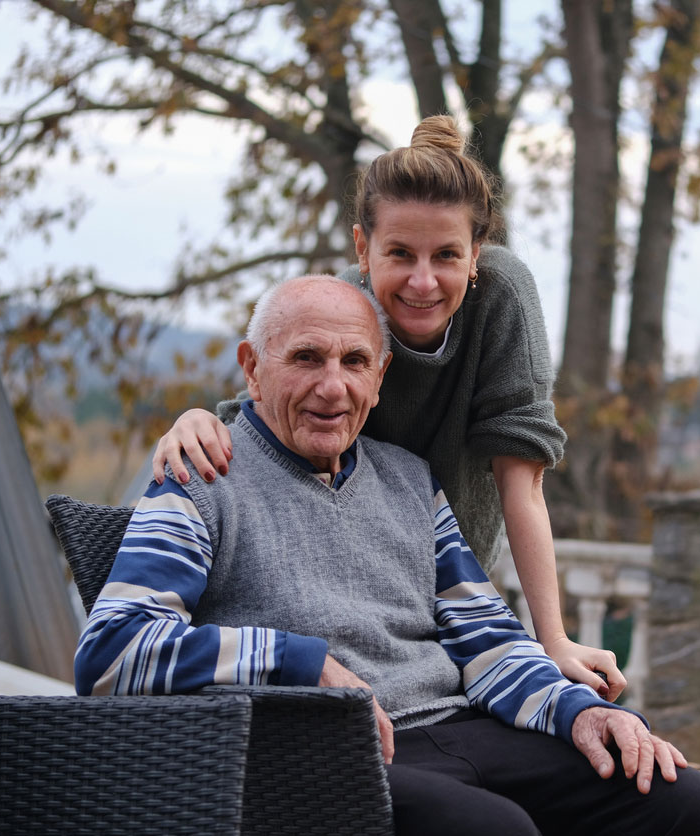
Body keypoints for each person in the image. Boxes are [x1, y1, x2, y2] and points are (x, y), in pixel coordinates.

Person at [75, 276, 700, 836]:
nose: (332, 387)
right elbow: (111, 654)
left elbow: (486, 640)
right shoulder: (201, 475)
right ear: (251, 366)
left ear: (380, 377)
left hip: (462, 728)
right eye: (306, 358)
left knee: (679, 803)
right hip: (320, 755)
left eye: (355, 361)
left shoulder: (409, 478)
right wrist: (300, 663)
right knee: (494, 830)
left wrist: (576, 710)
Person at [151, 116, 624, 699]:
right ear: (363, 249)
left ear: (476, 254)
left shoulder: (502, 297)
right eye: (400, 253)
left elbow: (522, 485)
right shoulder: (346, 308)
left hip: (453, 564)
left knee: (498, 701)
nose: (422, 282)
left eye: (446, 255)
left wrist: (553, 640)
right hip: (343, 574)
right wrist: (197, 420)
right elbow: (270, 410)